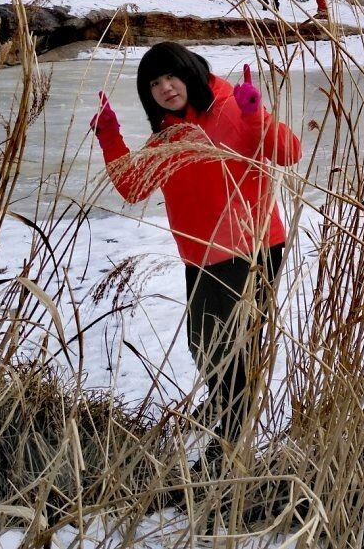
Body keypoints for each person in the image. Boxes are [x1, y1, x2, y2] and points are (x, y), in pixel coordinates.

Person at [90, 43, 301, 461]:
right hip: (201, 256)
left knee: (232, 348)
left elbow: (288, 153)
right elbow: (134, 187)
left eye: (171, 76)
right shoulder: (169, 134)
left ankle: (231, 440)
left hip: (251, 247)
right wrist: (110, 136)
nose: (165, 87)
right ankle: (224, 401)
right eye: (154, 83)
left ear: (190, 72)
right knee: (203, 344)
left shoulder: (230, 107)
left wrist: (255, 114)